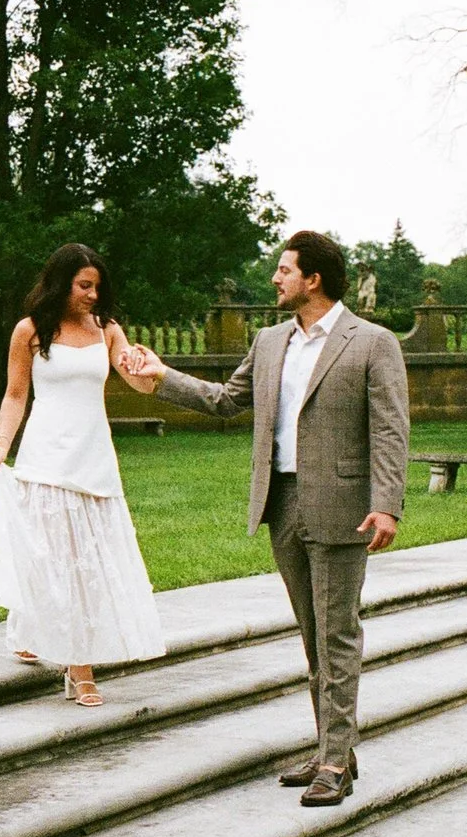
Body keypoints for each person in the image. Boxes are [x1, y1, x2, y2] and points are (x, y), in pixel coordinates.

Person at [122, 230, 409, 806]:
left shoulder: (372, 342)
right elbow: (227, 400)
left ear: (313, 279)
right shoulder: (271, 341)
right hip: (281, 501)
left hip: (344, 506)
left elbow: (390, 427)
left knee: (337, 633)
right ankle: (333, 748)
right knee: (312, 632)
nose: (275, 278)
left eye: (284, 270)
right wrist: (161, 376)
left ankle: (335, 762)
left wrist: (386, 503)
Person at [0, 243, 166, 706]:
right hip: (47, 455)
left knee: (85, 563)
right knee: (54, 556)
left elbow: (139, 383)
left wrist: (148, 371)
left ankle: (48, 640)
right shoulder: (30, 330)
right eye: (84, 285)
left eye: (97, 287)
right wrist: (3, 445)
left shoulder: (108, 330)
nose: (92, 294)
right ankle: (79, 669)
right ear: (61, 283)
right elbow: (15, 394)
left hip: (94, 456)